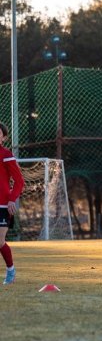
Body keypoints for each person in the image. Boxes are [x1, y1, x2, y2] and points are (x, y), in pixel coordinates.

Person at [0, 122, 24, 285]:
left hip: (2, 205)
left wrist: (11, 199)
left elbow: (19, 181)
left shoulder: (6, 154)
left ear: (4, 137)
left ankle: (11, 270)